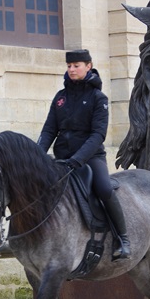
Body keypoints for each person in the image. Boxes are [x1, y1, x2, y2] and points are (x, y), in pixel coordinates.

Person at [37, 49, 131, 260]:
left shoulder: (99, 98)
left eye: (76, 65)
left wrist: (78, 159)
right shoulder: (60, 98)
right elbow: (49, 130)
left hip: (90, 158)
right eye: (69, 66)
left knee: (105, 188)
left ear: (88, 66)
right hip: (62, 158)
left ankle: (122, 239)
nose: (71, 69)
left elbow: (98, 135)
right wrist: (37, 154)